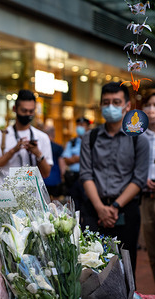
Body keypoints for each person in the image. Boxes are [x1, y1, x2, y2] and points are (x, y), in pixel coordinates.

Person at [79, 82, 149, 277]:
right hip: (94, 211)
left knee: (125, 270)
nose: (111, 107)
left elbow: (139, 179)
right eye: (106, 102)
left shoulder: (139, 139)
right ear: (100, 106)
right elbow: (86, 174)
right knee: (90, 268)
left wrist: (115, 206)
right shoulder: (89, 138)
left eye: (116, 102)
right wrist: (101, 208)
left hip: (126, 211)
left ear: (127, 106)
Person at [0, 89, 53, 179]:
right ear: (14, 109)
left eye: (31, 111)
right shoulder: (0, 135)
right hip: (5, 191)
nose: (27, 114)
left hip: (32, 192)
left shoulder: (42, 137)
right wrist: (12, 151)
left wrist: (38, 154)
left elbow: (46, 174)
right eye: (24, 111)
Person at [140, 92, 155, 281]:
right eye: (149, 105)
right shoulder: (138, 136)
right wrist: (142, 179)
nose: (152, 110)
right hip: (145, 198)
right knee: (152, 251)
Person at [62, 117, 90, 210]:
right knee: (74, 206)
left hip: (87, 177)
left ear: (88, 127)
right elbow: (66, 160)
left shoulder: (92, 141)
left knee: (87, 205)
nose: (79, 127)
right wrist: (81, 158)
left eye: (82, 125)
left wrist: (76, 158)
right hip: (73, 178)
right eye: (78, 125)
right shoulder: (72, 142)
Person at [43, 125, 66, 200]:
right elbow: (62, 165)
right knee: (56, 204)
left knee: (44, 202)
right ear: (53, 134)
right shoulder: (58, 147)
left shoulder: (41, 147)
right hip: (55, 179)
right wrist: (63, 176)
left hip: (43, 179)